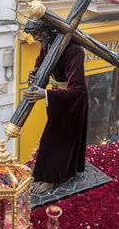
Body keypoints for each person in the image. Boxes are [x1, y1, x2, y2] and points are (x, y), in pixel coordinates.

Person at [23, 20, 88, 194]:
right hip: (58, 98)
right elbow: (41, 66)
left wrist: (45, 95)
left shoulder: (75, 51)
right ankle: (61, 173)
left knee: (54, 140)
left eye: (37, 34)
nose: (34, 38)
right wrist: (34, 74)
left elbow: (78, 89)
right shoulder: (47, 45)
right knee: (59, 140)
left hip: (72, 102)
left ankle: (51, 180)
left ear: (47, 31)